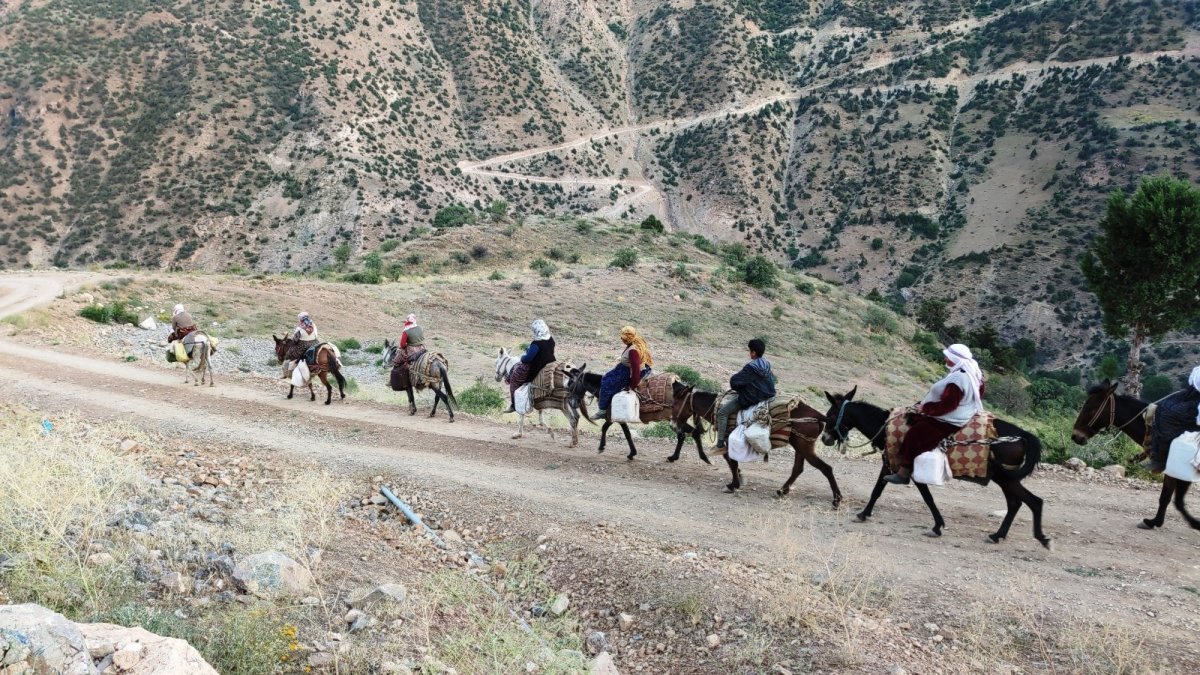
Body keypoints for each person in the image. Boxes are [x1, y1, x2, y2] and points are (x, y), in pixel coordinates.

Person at [885, 343, 986, 484]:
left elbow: (948, 406)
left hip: (948, 420)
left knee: (914, 434)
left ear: (955, 359)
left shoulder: (958, 379)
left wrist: (925, 408)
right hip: (961, 414)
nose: (945, 359)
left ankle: (904, 473)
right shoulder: (973, 373)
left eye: (948, 357)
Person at [712, 339, 777, 455]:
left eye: (750, 351)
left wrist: (740, 388)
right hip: (768, 395)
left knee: (722, 413)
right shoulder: (767, 364)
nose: (749, 353)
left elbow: (735, 382)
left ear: (753, 352)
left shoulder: (750, 367)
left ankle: (720, 444)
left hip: (752, 398)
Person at [1142, 366, 1200, 472]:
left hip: (1196, 402)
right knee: (1162, 406)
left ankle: (1162, 457)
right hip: (1195, 394)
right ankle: (1156, 454)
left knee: (1168, 416)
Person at [593, 326, 653, 418]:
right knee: (606, 377)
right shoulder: (633, 344)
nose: (621, 339)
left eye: (623, 338)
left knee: (607, 384)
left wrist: (632, 386)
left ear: (627, 338)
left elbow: (636, 370)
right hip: (623, 369)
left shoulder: (633, 350)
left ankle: (603, 410)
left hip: (627, 373)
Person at [504, 319, 557, 413]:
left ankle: (514, 405)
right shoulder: (550, 339)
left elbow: (528, 359)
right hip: (550, 363)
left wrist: (522, 357)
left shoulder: (536, 344)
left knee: (514, 379)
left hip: (537, 367)